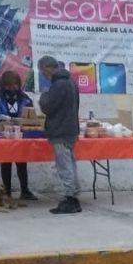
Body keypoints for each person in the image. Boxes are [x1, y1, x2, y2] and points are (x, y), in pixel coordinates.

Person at [37, 56, 81, 214]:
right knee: (70, 163)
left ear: (48, 68)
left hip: (60, 130)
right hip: (71, 129)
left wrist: (43, 96)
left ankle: (69, 198)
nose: (43, 74)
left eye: (42, 71)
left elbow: (47, 107)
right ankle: (74, 195)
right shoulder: (71, 82)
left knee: (64, 165)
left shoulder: (58, 84)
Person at [0, 71, 37, 200]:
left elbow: (31, 116)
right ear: (3, 85)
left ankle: (25, 190)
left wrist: (23, 122)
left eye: (15, 86)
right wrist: (4, 119)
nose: (12, 89)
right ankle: (7, 192)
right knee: (6, 163)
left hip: (21, 137)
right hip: (3, 137)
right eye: (9, 86)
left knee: (21, 163)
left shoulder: (25, 99)